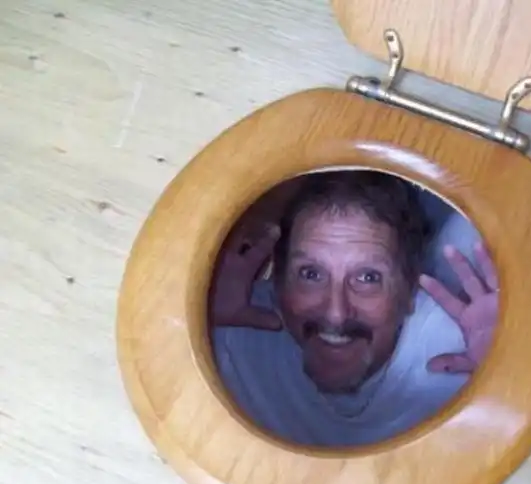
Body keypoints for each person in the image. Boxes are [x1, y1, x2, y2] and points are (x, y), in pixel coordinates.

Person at [209, 170, 498, 447]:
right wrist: (196, 317)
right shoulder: (229, 321)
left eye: (367, 278)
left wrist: (504, 366)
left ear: (409, 291)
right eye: (311, 274)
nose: (336, 313)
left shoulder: (465, 346)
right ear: (278, 282)